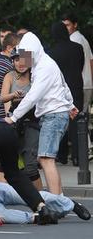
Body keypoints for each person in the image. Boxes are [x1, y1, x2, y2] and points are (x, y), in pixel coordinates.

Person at [5, 32, 78, 195]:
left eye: (26, 55)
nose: (24, 59)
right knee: (47, 159)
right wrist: (70, 104)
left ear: (34, 51)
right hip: (55, 114)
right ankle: (60, 199)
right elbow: (63, 84)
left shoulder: (44, 67)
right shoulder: (45, 63)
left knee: (46, 159)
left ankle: (56, 201)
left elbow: (33, 96)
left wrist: (13, 117)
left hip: (53, 115)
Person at [0, 51, 42, 190]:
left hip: (32, 122)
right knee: (4, 162)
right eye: (17, 60)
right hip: (13, 121)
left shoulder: (36, 76)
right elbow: (3, 98)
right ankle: (3, 200)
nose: (21, 63)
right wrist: (13, 95)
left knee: (30, 165)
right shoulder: (9, 76)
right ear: (13, 61)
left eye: (24, 60)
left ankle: (42, 200)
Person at [49, 22, 85, 166]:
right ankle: (77, 157)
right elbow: (81, 65)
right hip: (76, 87)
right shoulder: (78, 48)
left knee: (61, 121)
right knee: (77, 123)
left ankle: (62, 155)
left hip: (60, 90)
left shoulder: (52, 52)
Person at [62, 13, 93, 116]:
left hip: (79, 85)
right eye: (64, 26)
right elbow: (91, 61)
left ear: (75, 25)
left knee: (77, 120)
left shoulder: (73, 40)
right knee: (83, 119)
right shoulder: (83, 39)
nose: (65, 28)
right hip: (86, 83)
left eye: (67, 25)